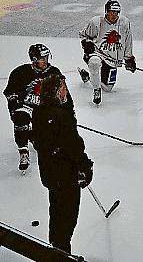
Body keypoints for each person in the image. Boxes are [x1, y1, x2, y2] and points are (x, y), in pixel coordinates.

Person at [31, 73, 93, 253]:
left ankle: (58, 249)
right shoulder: (61, 116)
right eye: (64, 88)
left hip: (50, 175)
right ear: (57, 92)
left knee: (56, 212)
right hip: (65, 175)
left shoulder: (39, 112)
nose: (66, 91)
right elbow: (74, 146)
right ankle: (61, 253)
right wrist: (85, 166)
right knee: (67, 216)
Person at [3, 44, 71, 173]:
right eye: (41, 58)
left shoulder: (54, 72)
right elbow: (9, 92)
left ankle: (34, 135)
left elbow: (64, 96)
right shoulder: (20, 72)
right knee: (21, 118)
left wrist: (68, 115)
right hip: (26, 107)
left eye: (46, 57)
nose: (45, 61)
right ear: (33, 59)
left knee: (48, 137)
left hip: (46, 109)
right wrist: (15, 103)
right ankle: (23, 150)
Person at [78, 0, 136, 106]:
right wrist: (87, 44)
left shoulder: (124, 22)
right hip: (98, 54)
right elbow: (83, 35)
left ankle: (87, 76)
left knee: (108, 88)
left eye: (117, 12)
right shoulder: (96, 22)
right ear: (107, 11)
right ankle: (96, 90)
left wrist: (129, 58)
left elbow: (128, 40)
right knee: (94, 62)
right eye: (112, 12)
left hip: (112, 60)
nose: (115, 15)